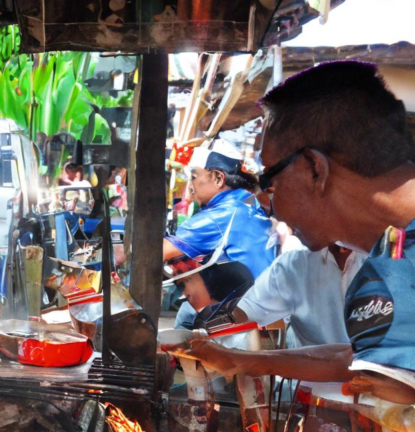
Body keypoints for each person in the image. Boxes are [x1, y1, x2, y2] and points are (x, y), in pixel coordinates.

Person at [187, 61, 415, 405]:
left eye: (270, 181)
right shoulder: (390, 260)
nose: (271, 207)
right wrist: (242, 360)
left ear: (314, 169)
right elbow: (357, 360)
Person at [164, 139, 276, 279]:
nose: (190, 186)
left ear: (218, 178)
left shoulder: (222, 215)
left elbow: (158, 252)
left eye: (193, 177)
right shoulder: (246, 203)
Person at [227, 244, 364, 349]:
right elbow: (245, 312)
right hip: (314, 380)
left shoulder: (380, 256)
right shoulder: (294, 263)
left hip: (376, 379)